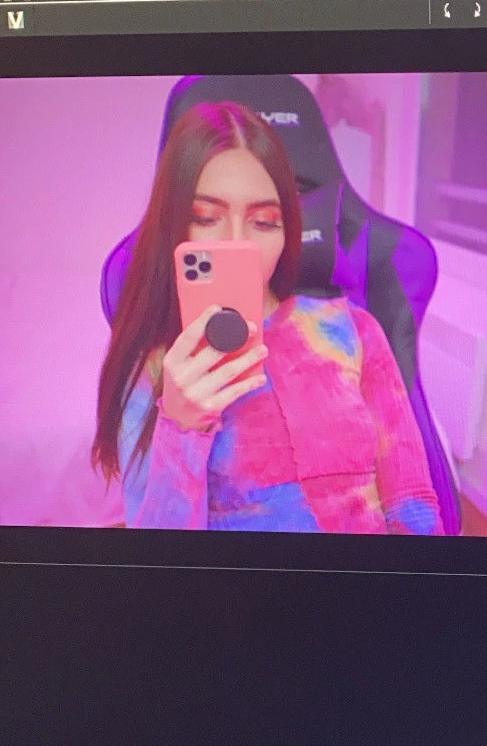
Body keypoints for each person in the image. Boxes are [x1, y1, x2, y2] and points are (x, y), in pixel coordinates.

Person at [93, 101, 443, 535]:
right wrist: (181, 428)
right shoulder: (153, 370)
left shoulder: (355, 331)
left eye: (263, 222)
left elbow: (411, 501)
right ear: (173, 228)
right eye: (206, 218)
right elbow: (164, 563)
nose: (238, 243)